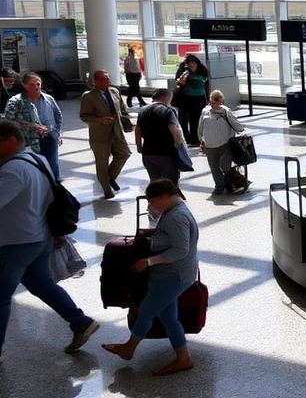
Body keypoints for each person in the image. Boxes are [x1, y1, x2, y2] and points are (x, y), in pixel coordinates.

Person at [0, 119, 100, 362]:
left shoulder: (13, 170)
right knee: (40, 283)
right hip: (40, 236)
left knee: (0, 297)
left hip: (17, 242)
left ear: (11, 140)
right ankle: (80, 322)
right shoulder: (38, 159)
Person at [102, 179, 198, 376]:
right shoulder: (174, 210)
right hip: (175, 273)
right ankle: (183, 358)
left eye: (152, 201)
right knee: (168, 316)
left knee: (146, 311)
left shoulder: (177, 217)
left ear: (164, 197)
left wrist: (150, 261)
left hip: (173, 275)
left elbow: (181, 249)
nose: (150, 206)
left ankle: (129, 348)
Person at [80, 70, 133, 199]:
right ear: (96, 81)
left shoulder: (114, 92)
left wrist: (128, 124)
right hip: (100, 135)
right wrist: (99, 121)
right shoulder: (88, 96)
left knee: (124, 154)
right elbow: (84, 116)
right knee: (102, 163)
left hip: (116, 131)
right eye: (103, 79)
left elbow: (122, 110)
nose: (107, 82)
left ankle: (110, 177)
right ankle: (107, 189)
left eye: (108, 79)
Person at [4, 72, 63, 181]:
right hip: (29, 140)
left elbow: (58, 115)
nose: (36, 87)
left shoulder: (48, 99)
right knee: (36, 166)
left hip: (49, 137)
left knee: (53, 164)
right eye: (32, 85)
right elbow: (9, 122)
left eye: (38, 84)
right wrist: (32, 127)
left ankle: (56, 187)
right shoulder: (16, 101)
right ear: (24, 85)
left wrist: (58, 133)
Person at [198, 89, 246, 195]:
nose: (215, 104)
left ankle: (235, 182)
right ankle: (220, 186)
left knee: (224, 166)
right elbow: (201, 128)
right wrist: (201, 140)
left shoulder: (225, 111)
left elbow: (235, 124)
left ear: (221, 101)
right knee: (215, 167)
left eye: (217, 101)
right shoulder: (205, 111)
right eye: (213, 101)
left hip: (224, 144)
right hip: (210, 145)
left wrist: (241, 129)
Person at [136, 88, 186, 185]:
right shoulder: (168, 111)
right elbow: (174, 130)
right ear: (167, 97)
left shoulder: (142, 111)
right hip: (166, 153)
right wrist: (181, 148)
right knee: (170, 184)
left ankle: (156, 199)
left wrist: (139, 147)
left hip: (148, 153)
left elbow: (137, 130)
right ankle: (171, 199)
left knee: (155, 183)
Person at [174, 55, 210, 147]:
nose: (192, 65)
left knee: (196, 118)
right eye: (190, 64)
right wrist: (182, 78)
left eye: (194, 63)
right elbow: (178, 82)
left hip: (199, 98)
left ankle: (196, 138)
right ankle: (186, 137)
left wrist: (191, 77)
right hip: (186, 98)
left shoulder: (202, 71)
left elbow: (204, 79)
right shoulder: (183, 71)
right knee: (184, 119)